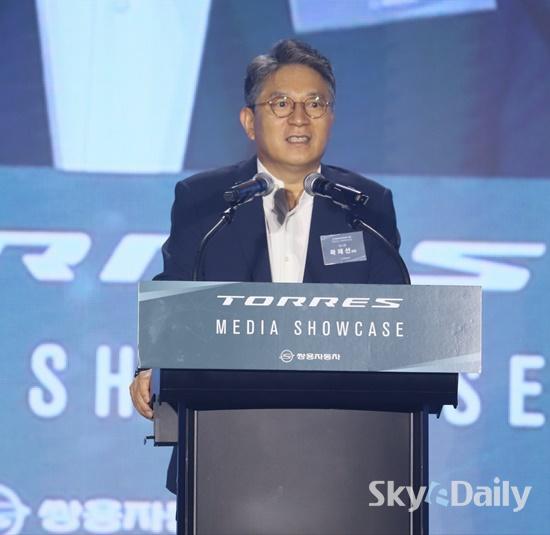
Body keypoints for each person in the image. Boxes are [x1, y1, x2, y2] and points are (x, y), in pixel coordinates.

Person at [129, 38, 405, 493]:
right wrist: (150, 367)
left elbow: (397, 314)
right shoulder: (205, 200)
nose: (299, 118)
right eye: (281, 103)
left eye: (315, 104)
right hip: (223, 445)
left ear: (331, 117)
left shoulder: (366, 205)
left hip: (345, 452)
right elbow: (176, 291)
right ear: (249, 121)